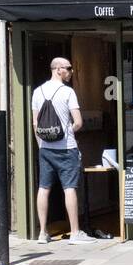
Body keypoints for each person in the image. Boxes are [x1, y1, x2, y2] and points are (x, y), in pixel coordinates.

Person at [31, 57, 94, 244]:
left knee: (43, 188)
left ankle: (42, 233)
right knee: (69, 188)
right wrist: (66, 132)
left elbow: (35, 123)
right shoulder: (68, 92)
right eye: (69, 68)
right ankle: (75, 233)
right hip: (66, 148)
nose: (71, 71)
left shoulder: (37, 92)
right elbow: (78, 122)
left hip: (45, 148)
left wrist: (41, 144)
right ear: (58, 69)